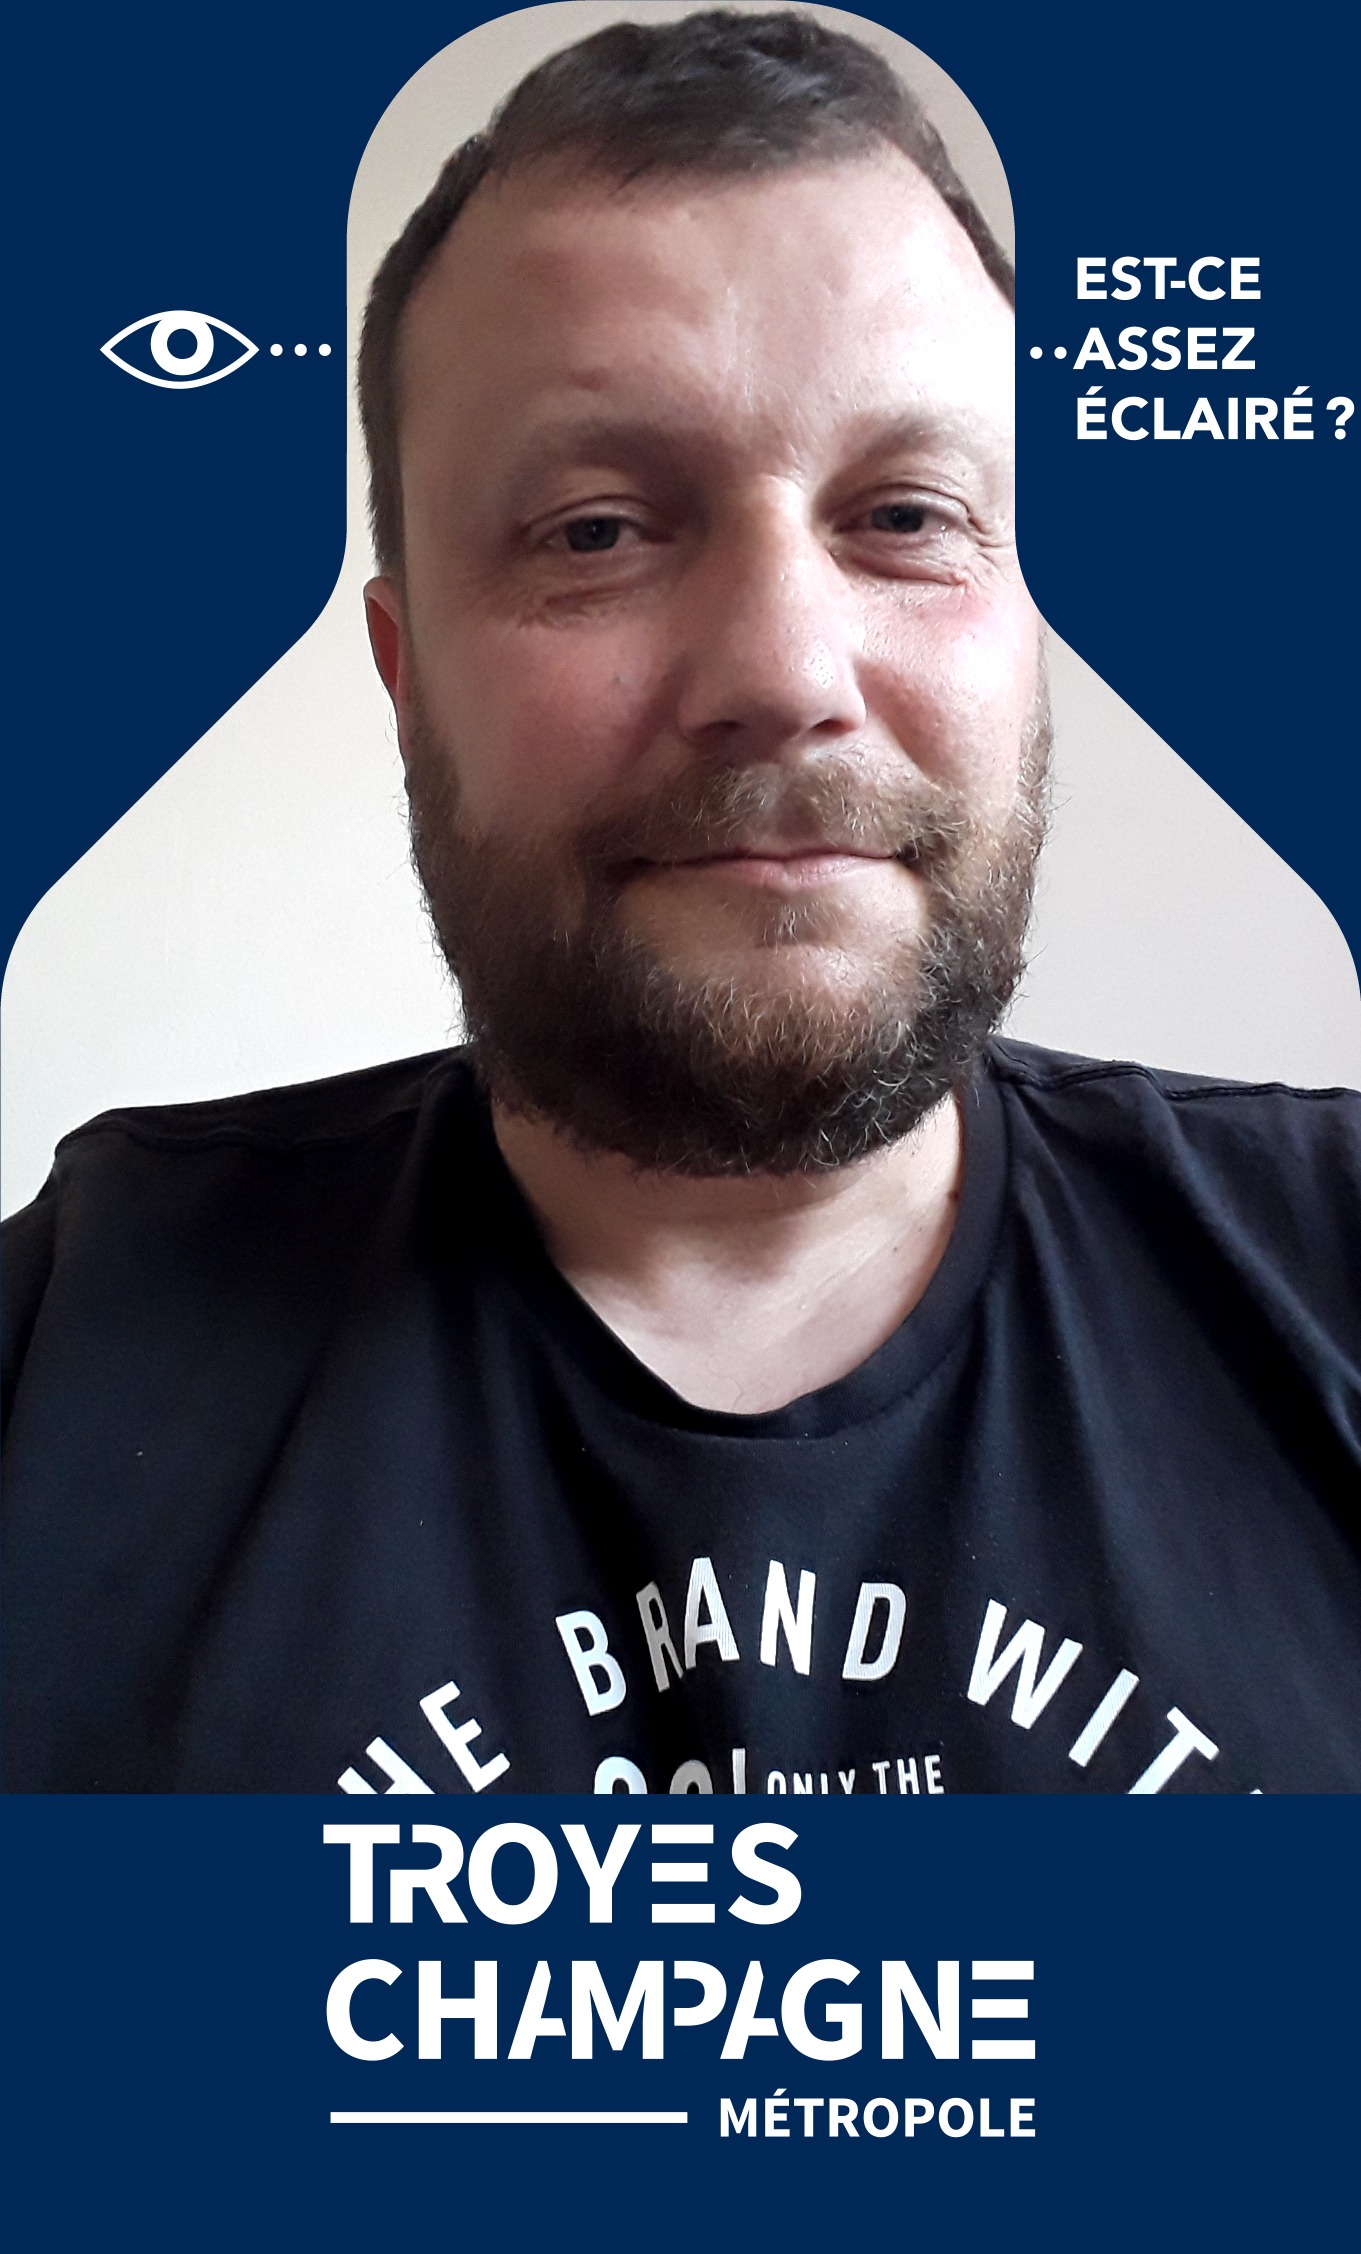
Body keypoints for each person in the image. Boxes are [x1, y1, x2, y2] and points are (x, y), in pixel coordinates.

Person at [3, 11, 1358, 1797]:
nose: (784, 673)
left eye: (906, 514)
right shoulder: (62, 1357)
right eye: (594, 530)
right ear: (407, 677)